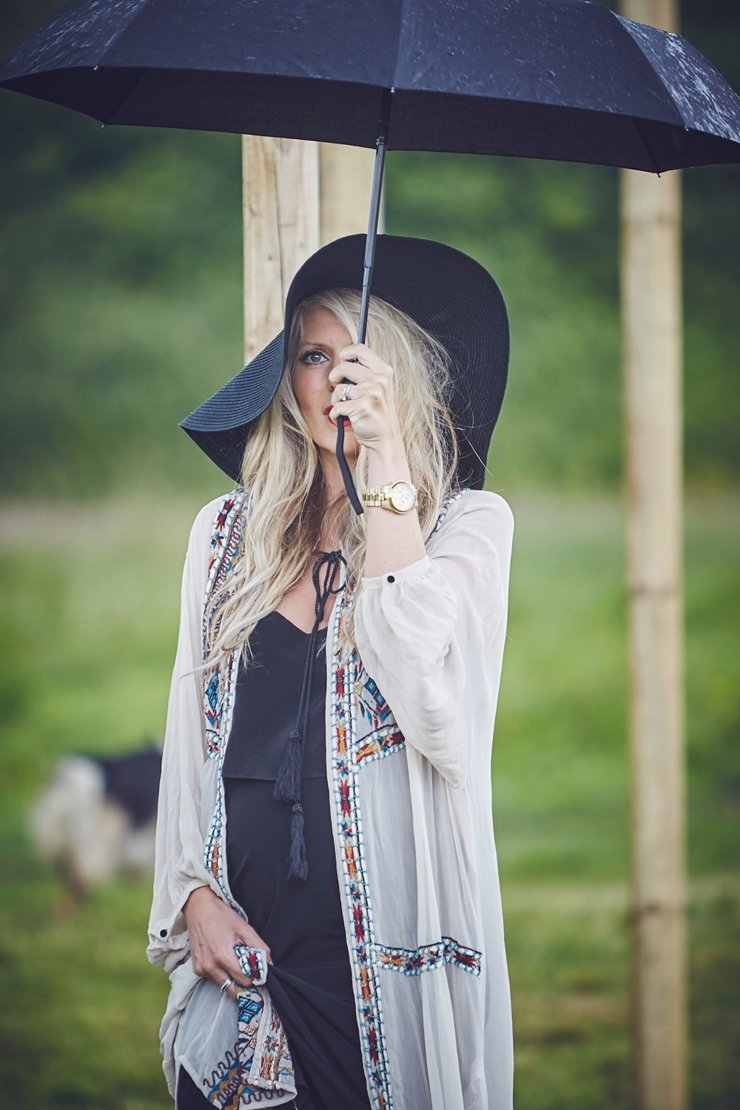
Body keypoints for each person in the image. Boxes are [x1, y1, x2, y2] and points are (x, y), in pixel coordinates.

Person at [147, 234, 514, 1110]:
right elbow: (190, 744)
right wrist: (192, 899)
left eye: (362, 357)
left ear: (402, 377)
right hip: (246, 967)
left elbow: (429, 695)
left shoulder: (467, 530)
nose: (337, 379)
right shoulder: (225, 534)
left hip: (387, 970)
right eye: (313, 355)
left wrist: (385, 463)